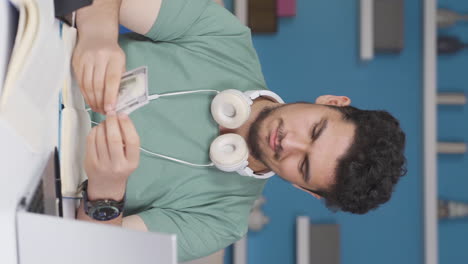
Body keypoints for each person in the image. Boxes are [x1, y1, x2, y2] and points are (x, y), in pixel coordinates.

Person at [72, 0, 407, 262]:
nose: (289, 142)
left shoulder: (221, 222)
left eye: (303, 165)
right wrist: (99, 33)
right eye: (315, 130)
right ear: (331, 102)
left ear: (305, 190)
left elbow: (90, 255)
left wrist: (107, 192)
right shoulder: (226, 37)